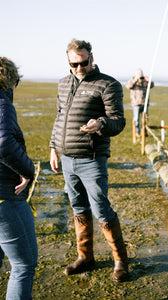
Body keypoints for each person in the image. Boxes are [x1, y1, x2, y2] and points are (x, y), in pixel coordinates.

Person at [50, 39, 128, 282]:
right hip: (66, 159)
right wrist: (53, 147)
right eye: (74, 64)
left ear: (91, 58)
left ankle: (120, 262)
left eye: (84, 63)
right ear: (69, 62)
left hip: (92, 159)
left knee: (101, 208)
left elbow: (118, 121)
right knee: (78, 208)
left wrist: (101, 124)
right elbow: (59, 117)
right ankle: (85, 257)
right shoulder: (63, 84)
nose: (79, 68)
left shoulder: (108, 84)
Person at [0, 57, 38, 299]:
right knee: (23, 265)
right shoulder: (2, 105)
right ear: (10, 81)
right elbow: (3, 143)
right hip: (5, 197)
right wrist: (28, 170)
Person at [126, 69, 154, 137]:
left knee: (146, 118)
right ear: (136, 74)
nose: (140, 75)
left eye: (141, 74)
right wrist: (136, 79)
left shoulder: (145, 81)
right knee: (136, 119)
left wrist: (148, 80)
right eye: (139, 74)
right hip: (136, 104)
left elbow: (152, 85)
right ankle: (137, 132)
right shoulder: (133, 80)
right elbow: (128, 86)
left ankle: (145, 131)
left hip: (145, 103)